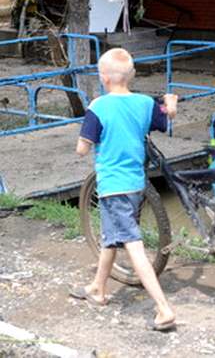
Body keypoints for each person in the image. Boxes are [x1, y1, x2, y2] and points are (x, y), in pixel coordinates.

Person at [70, 48, 178, 331]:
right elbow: (166, 122)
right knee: (111, 236)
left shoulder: (98, 107)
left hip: (112, 185)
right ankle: (97, 288)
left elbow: (82, 149)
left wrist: (84, 142)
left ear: (103, 78)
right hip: (136, 184)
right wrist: (171, 106)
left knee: (133, 245)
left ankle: (163, 307)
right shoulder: (144, 103)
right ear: (131, 76)